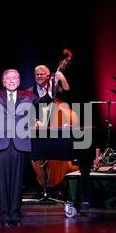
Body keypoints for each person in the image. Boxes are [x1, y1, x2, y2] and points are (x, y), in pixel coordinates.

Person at [0, 69, 51, 226]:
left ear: (19, 80)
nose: (12, 80)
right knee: (2, 181)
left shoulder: (28, 96)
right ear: (3, 81)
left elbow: (44, 101)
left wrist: (52, 87)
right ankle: (4, 214)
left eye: (15, 78)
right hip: (0, 144)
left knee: (17, 180)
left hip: (20, 144)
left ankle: (15, 214)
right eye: (9, 78)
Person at [25, 65, 78, 198]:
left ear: (49, 76)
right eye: (37, 74)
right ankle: (42, 187)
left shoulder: (55, 89)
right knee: (36, 159)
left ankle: (58, 185)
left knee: (57, 155)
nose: (39, 76)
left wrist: (63, 79)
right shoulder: (29, 92)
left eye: (42, 74)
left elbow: (68, 94)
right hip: (38, 132)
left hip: (56, 132)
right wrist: (34, 121)